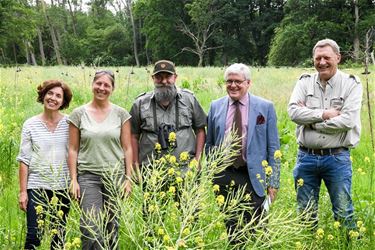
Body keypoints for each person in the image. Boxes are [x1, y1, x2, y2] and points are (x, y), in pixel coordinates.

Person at [288, 38, 362, 230]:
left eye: (327, 57)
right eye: (317, 58)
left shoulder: (351, 84)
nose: (322, 62)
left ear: (338, 58)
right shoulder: (304, 82)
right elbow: (293, 112)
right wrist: (324, 114)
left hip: (337, 158)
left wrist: (312, 123)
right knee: (305, 214)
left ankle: (348, 244)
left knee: (344, 212)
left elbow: (348, 120)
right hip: (306, 157)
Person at [206, 63, 280, 239]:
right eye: (229, 81)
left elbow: (273, 147)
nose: (233, 85)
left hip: (253, 175)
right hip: (224, 175)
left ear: (248, 83)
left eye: (238, 81)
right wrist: (212, 173)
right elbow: (210, 143)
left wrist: (273, 182)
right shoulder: (215, 106)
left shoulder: (265, 107)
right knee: (232, 228)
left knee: (258, 228)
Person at [68, 70, 133, 249]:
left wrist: (128, 179)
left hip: (115, 177)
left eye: (107, 85)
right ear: (93, 84)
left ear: (112, 89)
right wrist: (73, 179)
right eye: (99, 83)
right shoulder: (78, 114)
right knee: (91, 229)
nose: (102, 88)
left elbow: (127, 148)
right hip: (88, 177)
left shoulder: (121, 114)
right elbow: (72, 149)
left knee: (112, 228)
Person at [17, 80, 73, 250]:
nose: (53, 98)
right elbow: (24, 159)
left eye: (58, 96)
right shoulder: (30, 124)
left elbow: (75, 154)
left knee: (58, 236)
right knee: (34, 236)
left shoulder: (70, 123)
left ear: (63, 101)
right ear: (43, 95)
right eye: (50, 93)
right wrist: (23, 192)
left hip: (62, 187)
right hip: (36, 187)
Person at [130, 60, 207, 169]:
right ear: (153, 78)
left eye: (168, 76)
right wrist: (135, 164)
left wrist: (198, 160)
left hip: (185, 169)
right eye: (159, 77)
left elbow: (200, 130)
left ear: (175, 77)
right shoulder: (140, 103)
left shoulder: (189, 100)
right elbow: (133, 135)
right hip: (150, 171)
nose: (164, 81)